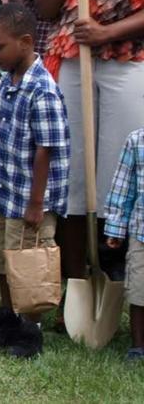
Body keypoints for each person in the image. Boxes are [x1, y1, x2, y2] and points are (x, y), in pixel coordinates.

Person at [34, 0, 144, 306]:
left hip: (128, 62)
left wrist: (107, 32)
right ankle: (75, 281)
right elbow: (43, 7)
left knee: (121, 171)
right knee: (75, 174)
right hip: (73, 61)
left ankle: (122, 279)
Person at [0, 3, 70, 359]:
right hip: (4, 191)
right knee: (3, 260)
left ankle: (30, 330)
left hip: (31, 197)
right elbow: (0, 138)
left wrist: (36, 203)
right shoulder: (8, 81)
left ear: (26, 42)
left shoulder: (42, 89)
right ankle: (7, 317)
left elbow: (46, 149)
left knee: (28, 262)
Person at [104, 128, 144, 362]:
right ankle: (138, 345)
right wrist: (116, 227)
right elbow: (122, 189)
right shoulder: (136, 140)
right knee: (139, 290)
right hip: (141, 234)